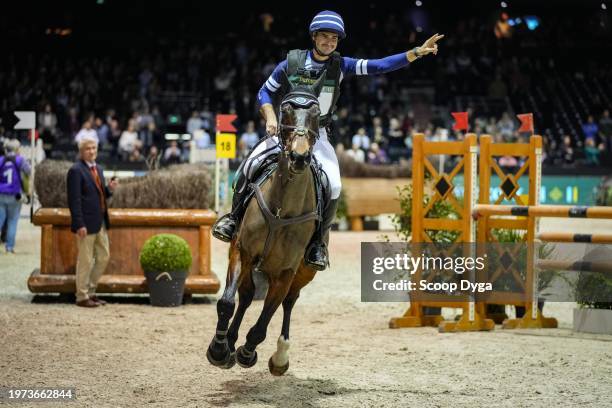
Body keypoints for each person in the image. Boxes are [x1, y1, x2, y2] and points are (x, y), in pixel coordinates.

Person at [212, 10, 444, 270]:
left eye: (334, 38)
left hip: (316, 134)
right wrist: (270, 117)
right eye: (324, 37)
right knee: (249, 164)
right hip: (285, 132)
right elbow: (264, 92)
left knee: (333, 184)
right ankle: (232, 219)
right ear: (314, 37)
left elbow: (379, 65)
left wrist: (415, 52)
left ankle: (318, 245)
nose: (329, 42)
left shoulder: (341, 65)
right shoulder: (290, 63)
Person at [67, 136, 118, 307]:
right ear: (81, 152)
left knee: (104, 257)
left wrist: (109, 190)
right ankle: (81, 297)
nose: (92, 151)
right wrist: (79, 223)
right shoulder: (75, 170)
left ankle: (91, 291)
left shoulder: (99, 169)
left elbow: (99, 194)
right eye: (88, 148)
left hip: (100, 221)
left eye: (94, 148)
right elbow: (74, 201)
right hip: (85, 224)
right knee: (86, 261)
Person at [0, 139, 31, 254]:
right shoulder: (20, 160)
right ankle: (9, 248)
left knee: (0, 220)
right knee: (12, 222)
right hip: (15, 194)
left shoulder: (1, 160)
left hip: (1, 193)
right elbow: (28, 172)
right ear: (17, 149)